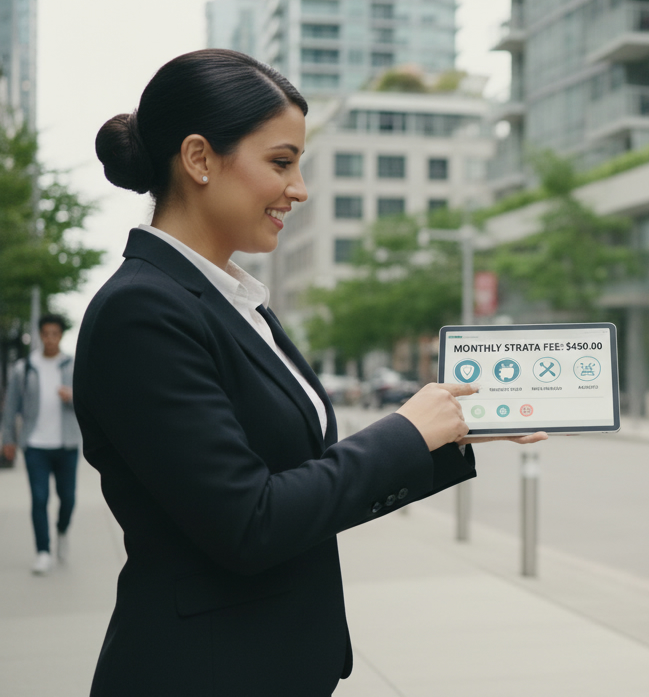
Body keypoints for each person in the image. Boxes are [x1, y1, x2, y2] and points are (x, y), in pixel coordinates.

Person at [76, 49, 544, 696]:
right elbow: (250, 521)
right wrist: (407, 433)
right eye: (281, 162)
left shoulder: (232, 300)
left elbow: (303, 477)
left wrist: (444, 430)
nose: (299, 189)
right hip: (205, 672)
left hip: (268, 664)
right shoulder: (143, 312)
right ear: (199, 159)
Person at [2, 313, 81, 575]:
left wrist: (73, 396)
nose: (50, 339)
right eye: (45, 333)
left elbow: (91, 399)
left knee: (68, 499)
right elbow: (12, 405)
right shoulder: (24, 367)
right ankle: (43, 552)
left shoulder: (72, 365)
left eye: (54, 334)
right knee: (39, 498)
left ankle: (61, 531)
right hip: (35, 444)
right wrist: (8, 439)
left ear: (60, 335)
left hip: (67, 443)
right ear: (39, 334)